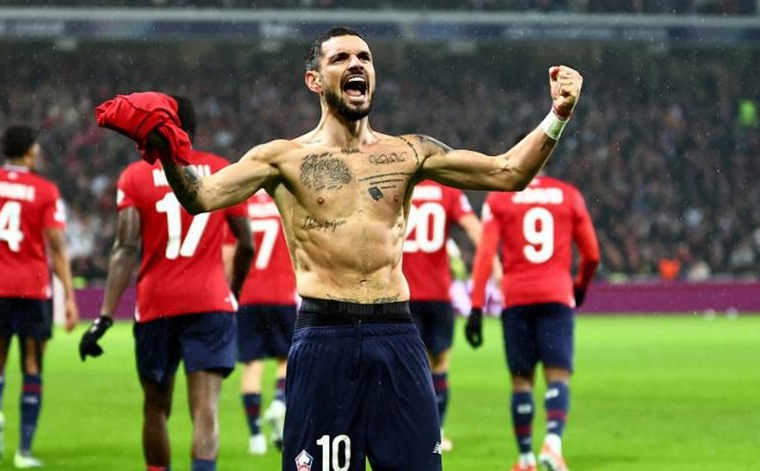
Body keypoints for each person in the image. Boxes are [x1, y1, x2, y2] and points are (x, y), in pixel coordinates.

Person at [110, 27, 584, 471]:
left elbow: (508, 172)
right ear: (314, 80)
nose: (356, 64)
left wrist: (558, 114)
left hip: (397, 335)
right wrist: (167, 149)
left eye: (364, 57)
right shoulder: (281, 158)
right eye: (340, 58)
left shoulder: (410, 152)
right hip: (325, 337)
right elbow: (201, 197)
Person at [78, 96, 255, 471]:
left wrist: (105, 316)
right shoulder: (221, 170)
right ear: (193, 129)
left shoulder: (135, 176)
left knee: (155, 408)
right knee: (205, 409)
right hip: (210, 302)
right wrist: (233, 291)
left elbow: (125, 248)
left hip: (156, 304)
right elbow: (247, 244)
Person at [466, 169, 601, 471]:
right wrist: (580, 287)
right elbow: (592, 255)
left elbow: (486, 254)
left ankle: (526, 458)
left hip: (517, 300)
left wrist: (476, 307)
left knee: (521, 381)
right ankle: (552, 444)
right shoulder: (569, 195)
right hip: (556, 296)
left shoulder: (500, 198)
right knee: (558, 376)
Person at [0, 125, 79, 468]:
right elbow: (57, 247)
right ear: (30, 152)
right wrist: (69, 297)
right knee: (32, 365)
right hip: (33, 287)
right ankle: (24, 452)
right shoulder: (44, 190)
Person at [402, 178, 481, 451]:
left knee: (410, 367)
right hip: (437, 294)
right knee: (440, 364)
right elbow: (474, 228)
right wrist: (491, 265)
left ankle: (411, 429)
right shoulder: (448, 191)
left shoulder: (399, 184)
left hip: (403, 294)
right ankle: (437, 432)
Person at [222, 189, 298, 456]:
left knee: (251, 364)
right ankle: (279, 402)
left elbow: (228, 256)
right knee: (286, 358)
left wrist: (230, 290)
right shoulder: (285, 203)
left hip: (248, 295)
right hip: (282, 293)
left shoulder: (241, 206)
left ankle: (256, 437)